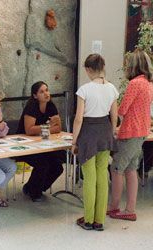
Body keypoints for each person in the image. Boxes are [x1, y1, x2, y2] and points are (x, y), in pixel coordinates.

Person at [72, 54, 118, 231]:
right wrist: (111, 132)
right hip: (105, 132)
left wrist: (74, 141)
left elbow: (78, 119)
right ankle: (100, 220)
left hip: (89, 134)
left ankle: (88, 219)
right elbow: (114, 115)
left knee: (89, 178)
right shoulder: (112, 88)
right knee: (102, 176)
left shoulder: (84, 90)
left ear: (89, 69)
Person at [108, 48, 153, 221]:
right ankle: (130, 209)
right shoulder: (149, 83)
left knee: (117, 168)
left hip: (130, 132)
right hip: (142, 131)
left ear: (133, 65)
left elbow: (123, 108)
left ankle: (114, 207)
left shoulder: (135, 84)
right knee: (131, 169)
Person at [16, 81, 64, 202]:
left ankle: (32, 187)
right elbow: (29, 130)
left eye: (47, 90)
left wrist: (45, 129)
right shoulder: (31, 107)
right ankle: (34, 193)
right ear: (35, 95)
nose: (46, 93)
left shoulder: (51, 106)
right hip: (25, 145)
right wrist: (48, 127)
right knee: (43, 164)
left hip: (43, 143)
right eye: (42, 92)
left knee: (58, 166)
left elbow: (58, 128)